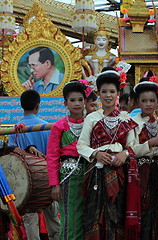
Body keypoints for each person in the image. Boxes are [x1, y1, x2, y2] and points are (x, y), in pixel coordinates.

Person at [77, 68, 139, 240]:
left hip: (119, 174)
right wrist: (96, 154)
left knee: (117, 213)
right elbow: (81, 145)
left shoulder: (125, 119)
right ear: (98, 94)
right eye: (104, 91)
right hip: (96, 174)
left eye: (112, 91)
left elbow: (133, 145)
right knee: (95, 215)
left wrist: (124, 155)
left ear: (118, 93)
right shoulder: (91, 118)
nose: (108, 95)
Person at [8, 90, 60, 240]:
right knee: (54, 222)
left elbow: (13, 156)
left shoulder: (15, 129)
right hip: (47, 181)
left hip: (27, 186)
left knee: (31, 224)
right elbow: (53, 154)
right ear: (38, 106)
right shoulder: (47, 127)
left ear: (21, 106)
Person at [46, 80, 90, 239]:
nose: (77, 104)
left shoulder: (91, 123)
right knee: (69, 217)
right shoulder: (59, 126)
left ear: (85, 101)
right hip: (67, 178)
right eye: (72, 100)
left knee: (88, 217)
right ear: (65, 103)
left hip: (89, 175)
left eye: (80, 99)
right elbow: (52, 157)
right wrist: (54, 184)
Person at [132, 80, 158, 239]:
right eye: (144, 101)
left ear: (157, 101)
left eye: (152, 100)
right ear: (138, 102)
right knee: (143, 209)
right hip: (141, 173)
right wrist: (150, 143)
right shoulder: (132, 123)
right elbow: (130, 149)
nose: (148, 104)